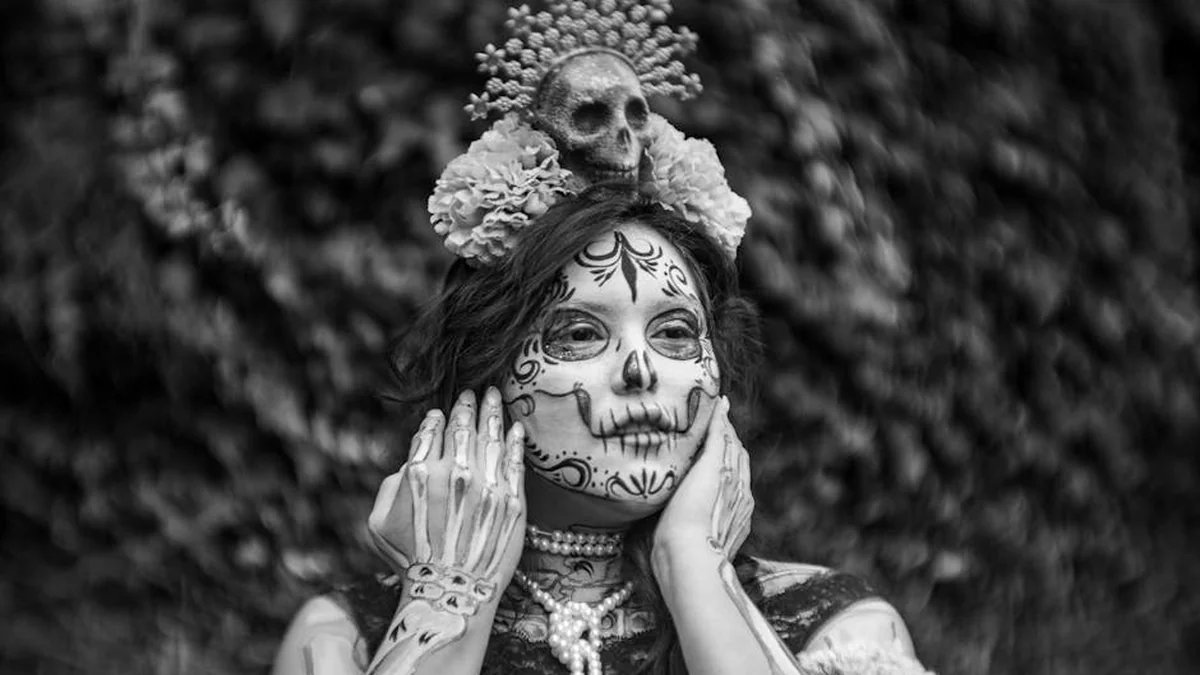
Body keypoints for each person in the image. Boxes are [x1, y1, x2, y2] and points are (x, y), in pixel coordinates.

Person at [272, 3, 930, 673]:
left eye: (676, 332)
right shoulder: (337, 640)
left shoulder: (837, 627)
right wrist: (448, 597)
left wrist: (695, 566)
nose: (640, 368)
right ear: (486, 368)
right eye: (581, 333)